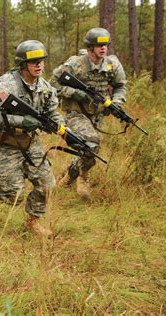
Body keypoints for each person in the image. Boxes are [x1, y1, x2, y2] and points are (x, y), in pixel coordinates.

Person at [0, 40, 65, 237]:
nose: (39, 65)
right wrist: (21, 121)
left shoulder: (45, 87)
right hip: (3, 146)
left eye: (41, 61)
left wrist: (61, 126)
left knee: (47, 185)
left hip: (30, 144)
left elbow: (52, 112)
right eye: (34, 61)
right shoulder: (6, 86)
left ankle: (32, 223)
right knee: (13, 196)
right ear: (22, 64)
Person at [50, 28, 127, 200]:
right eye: (98, 45)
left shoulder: (112, 64)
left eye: (105, 45)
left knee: (89, 149)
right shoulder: (76, 64)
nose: (103, 48)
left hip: (97, 116)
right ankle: (83, 179)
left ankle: (69, 175)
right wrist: (73, 93)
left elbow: (120, 86)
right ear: (90, 47)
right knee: (91, 144)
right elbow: (53, 82)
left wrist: (116, 102)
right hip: (75, 114)